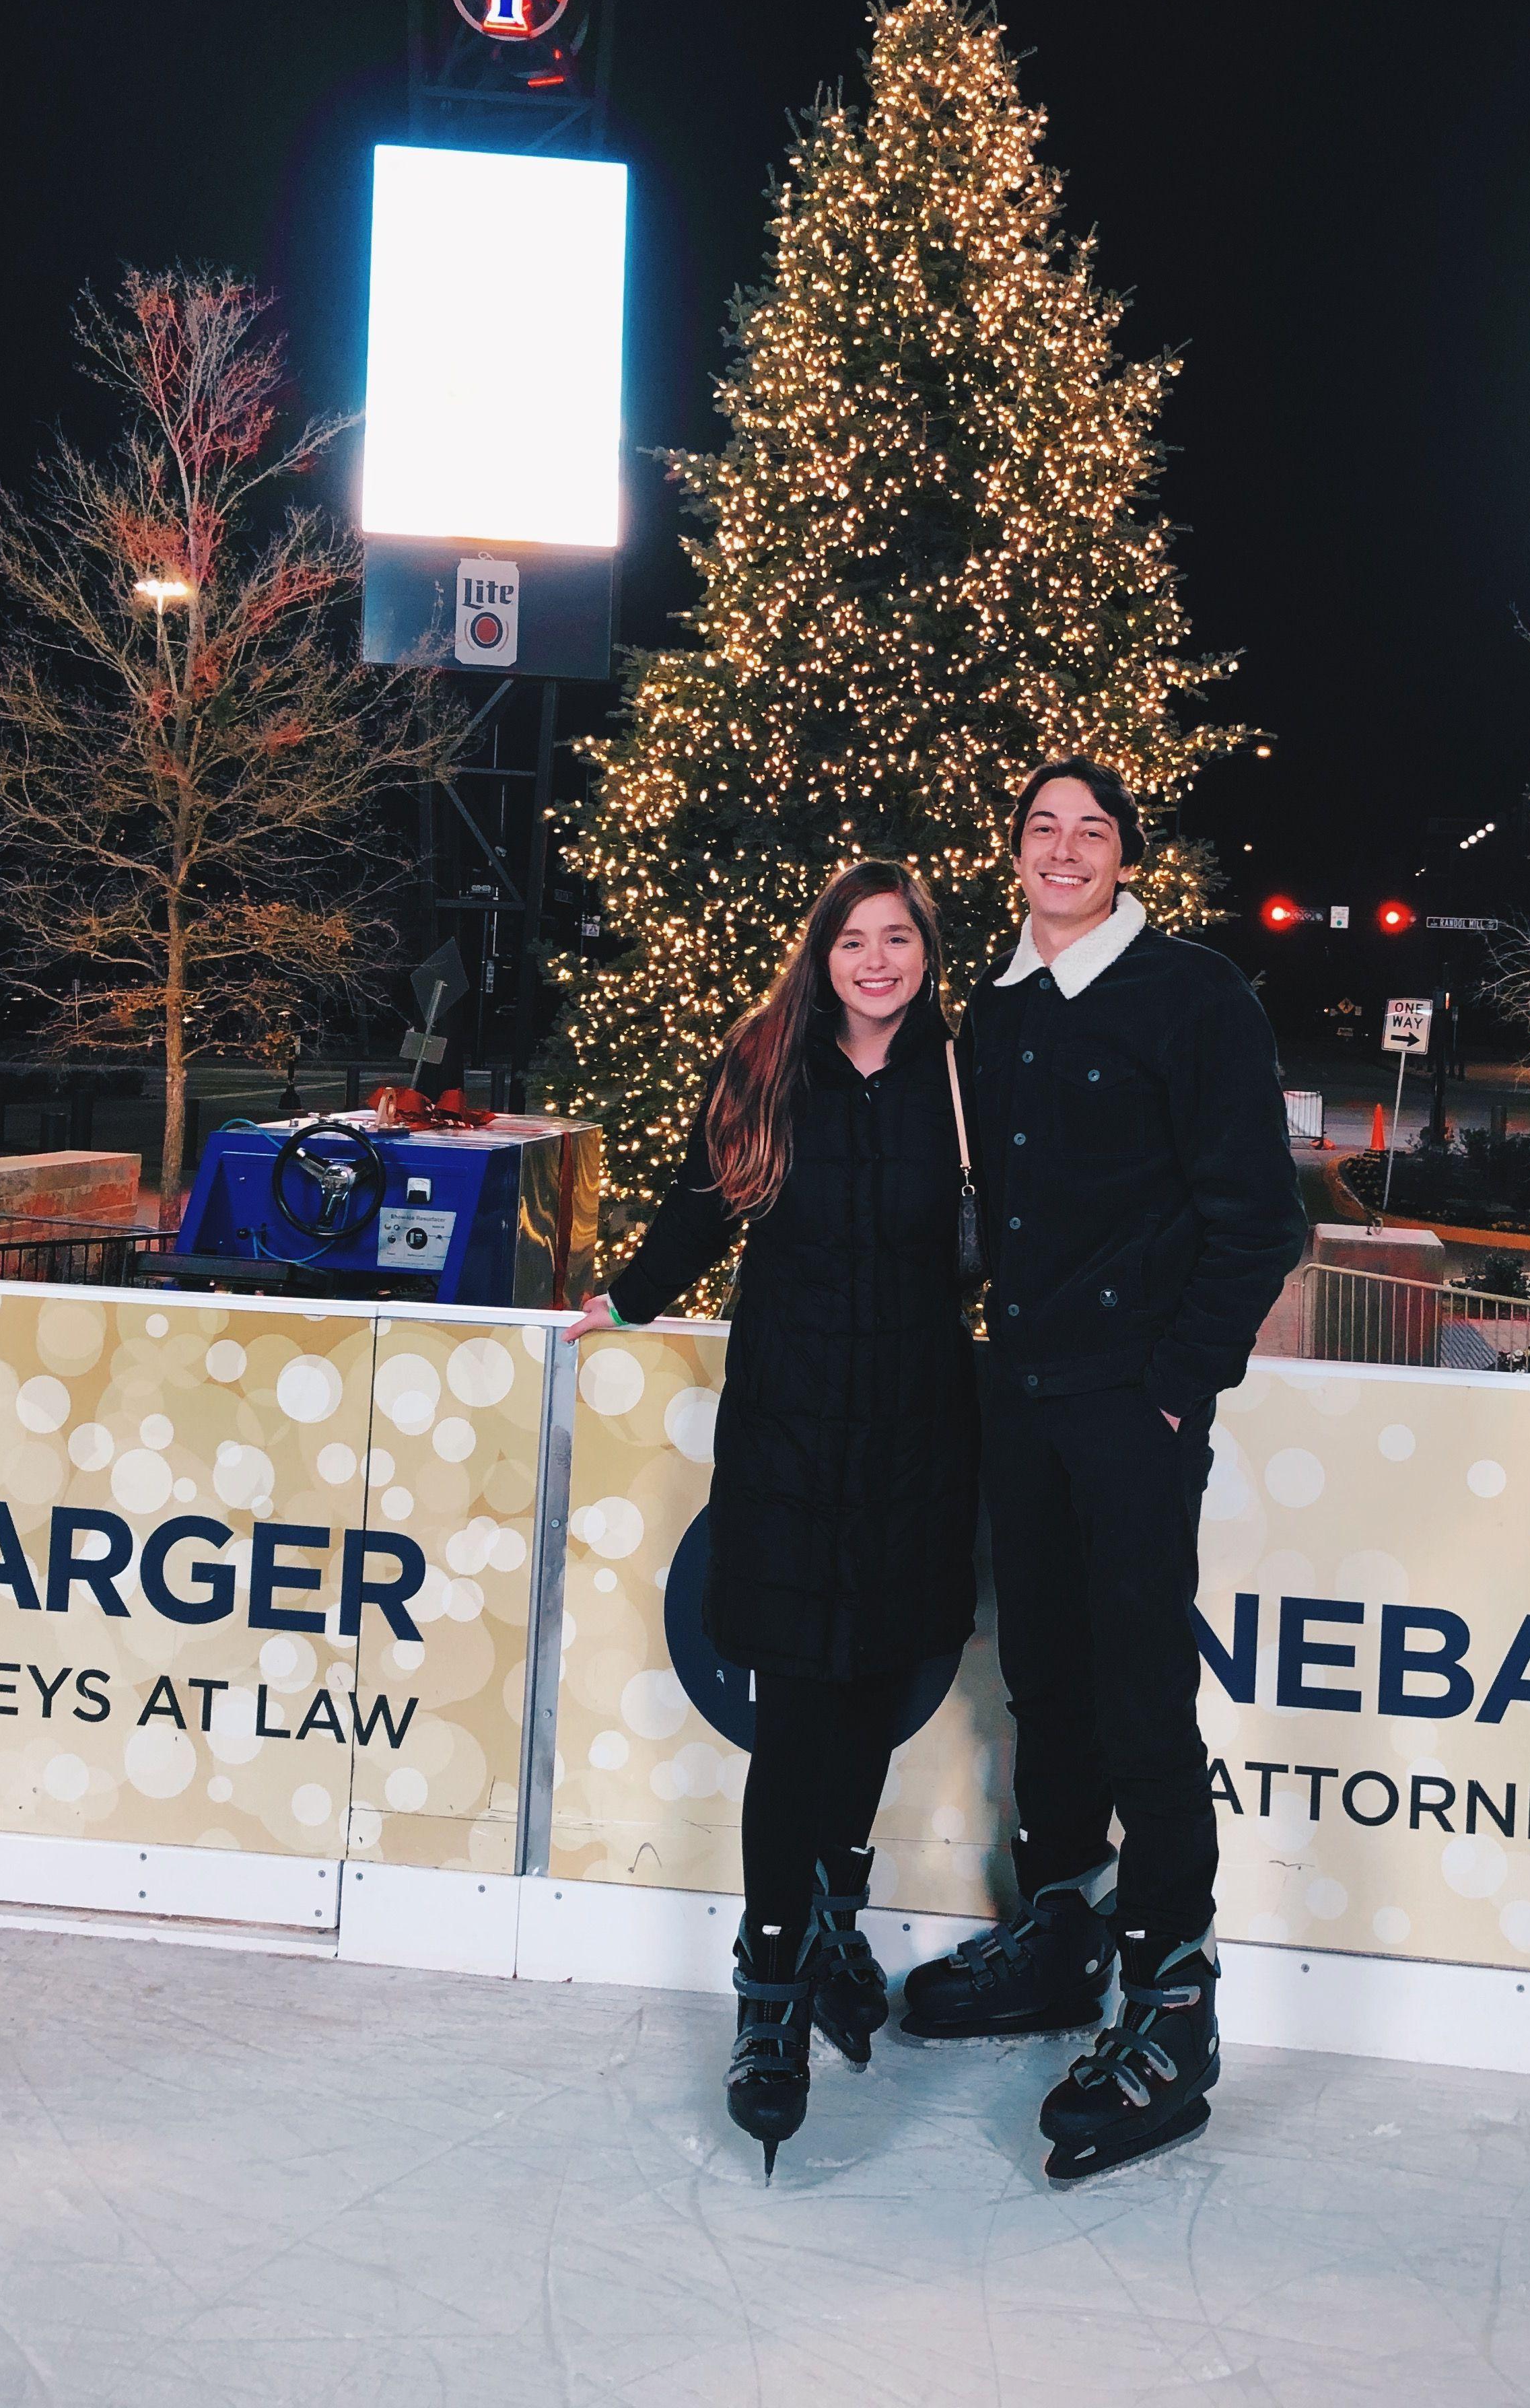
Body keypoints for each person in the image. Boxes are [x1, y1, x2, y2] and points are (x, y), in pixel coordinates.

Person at [898, 756, 1305, 2183]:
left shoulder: (1193, 998)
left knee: (1138, 1696)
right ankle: (1061, 1935)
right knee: (1045, 1682)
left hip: (1130, 1407)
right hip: (1020, 1393)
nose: (1065, 850)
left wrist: (1178, 1388)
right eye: (1041, 829)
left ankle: (1173, 2002)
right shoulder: (995, 1010)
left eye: (1093, 831)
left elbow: (1260, 1219)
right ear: (1013, 854)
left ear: (1127, 857)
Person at [564, 860, 980, 2178]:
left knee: (868, 1696)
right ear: (823, 953)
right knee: (800, 1704)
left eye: (896, 939)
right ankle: (770, 1992)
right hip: (792, 1435)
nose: (875, 961)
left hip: (916, 1435)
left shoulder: (967, 1082)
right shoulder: (764, 1066)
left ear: (926, 955)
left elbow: (1029, 1238)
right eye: (854, 940)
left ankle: (830, 1914)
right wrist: (624, 1302)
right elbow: (700, 1207)